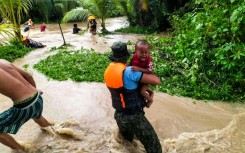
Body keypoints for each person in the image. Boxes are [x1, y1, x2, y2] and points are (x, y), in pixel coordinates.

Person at [104, 42, 162, 153]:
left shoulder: (108, 71)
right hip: (133, 116)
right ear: (127, 56)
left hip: (119, 115)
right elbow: (156, 81)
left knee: (128, 145)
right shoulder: (130, 71)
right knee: (155, 147)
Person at [0, 59, 53, 151]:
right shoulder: (3, 61)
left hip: (24, 106)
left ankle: (20, 150)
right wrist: (35, 90)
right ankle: (54, 132)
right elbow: (28, 75)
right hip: (37, 97)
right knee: (37, 117)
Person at [129, 40, 154, 108]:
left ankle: (150, 99)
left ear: (149, 52)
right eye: (141, 52)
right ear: (136, 51)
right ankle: (150, 92)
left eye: (146, 52)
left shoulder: (149, 60)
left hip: (146, 78)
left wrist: (138, 69)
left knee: (142, 92)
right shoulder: (134, 57)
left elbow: (150, 71)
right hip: (138, 77)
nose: (144, 55)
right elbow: (130, 65)